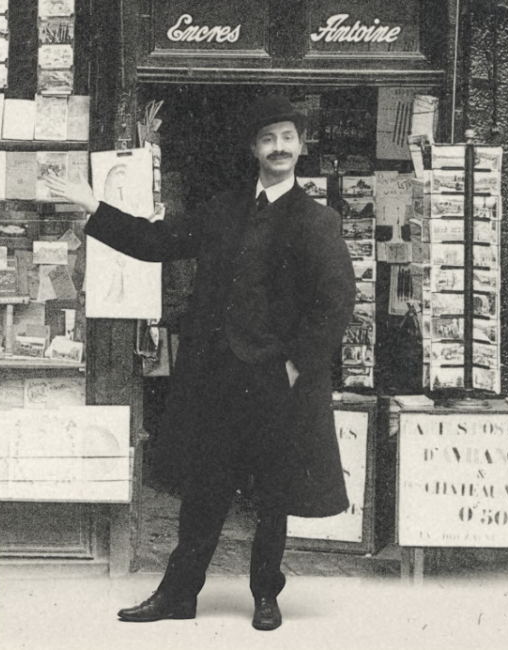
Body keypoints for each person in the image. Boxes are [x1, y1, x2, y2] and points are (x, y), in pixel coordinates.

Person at [45, 95, 356, 631]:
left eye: (287, 138)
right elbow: (156, 241)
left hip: (278, 381)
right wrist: (95, 206)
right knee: (204, 491)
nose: (278, 147)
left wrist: (295, 366)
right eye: (268, 139)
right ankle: (178, 594)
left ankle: (266, 593)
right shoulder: (223, 208)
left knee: (274, 494)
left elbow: (336, 305)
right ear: (253, 149)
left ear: (301, 146)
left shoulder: (318, 221)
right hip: (219, 378)